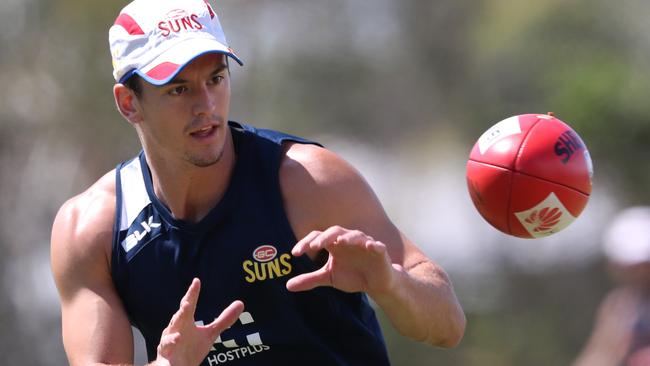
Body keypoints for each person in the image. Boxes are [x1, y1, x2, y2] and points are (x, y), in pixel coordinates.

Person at [50, 0, 466, 365]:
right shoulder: (93, 231)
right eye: (179, 89)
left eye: (215, 78)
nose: (206, 106)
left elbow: (448, 323)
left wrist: (393, 286)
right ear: (128, 103)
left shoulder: (309, 181)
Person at [573, 206, 650, 366]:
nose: (639, 272)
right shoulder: (620, 307)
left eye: (643, 264)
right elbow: (601, 355)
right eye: (632, 266)